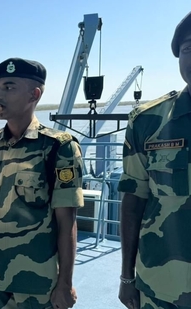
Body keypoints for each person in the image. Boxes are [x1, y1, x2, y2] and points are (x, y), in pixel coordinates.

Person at [0, 58, 84, 309]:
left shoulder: (58, 146)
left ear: (34, 94)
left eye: (9, 87)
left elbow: (67, 220)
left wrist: (65, 283)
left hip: (39, 280)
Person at [118, 11, 191, 309]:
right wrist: (126, 278)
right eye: (188, 49)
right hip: (163, 289)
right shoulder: (148, 121)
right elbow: (133, 202)